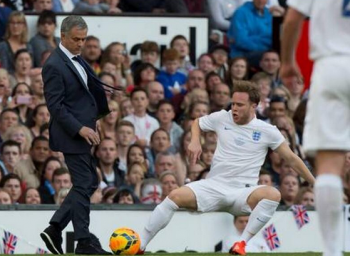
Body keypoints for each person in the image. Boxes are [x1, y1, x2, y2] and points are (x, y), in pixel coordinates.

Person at [138, 81, 315, 255]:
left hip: (243, 193)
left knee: (273, 194)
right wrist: (194, 141)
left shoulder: (267, 131)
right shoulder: (222, 117)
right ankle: (140, 246)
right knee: (174, 196)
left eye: (240, 104)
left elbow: (292, 159)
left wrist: (314, 183)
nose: (234, 108)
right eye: (233, 103)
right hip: (214, 186)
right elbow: (198, 122)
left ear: (254, 106)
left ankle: (241, 244)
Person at [280, 1, 350, 256]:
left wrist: (287, 61)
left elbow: (291, 19)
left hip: (331, 66)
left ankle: (332, 251)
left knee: (329, 166)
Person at [40, 16, 110, 255]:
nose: (81, 44)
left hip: (83, 132)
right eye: (76, 39)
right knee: (84, 183)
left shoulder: (75, 58)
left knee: (89, 182)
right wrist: (80, 128)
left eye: (84, 39)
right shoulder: (53, 65)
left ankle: (55, 228)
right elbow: (55, 106)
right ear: (63, 36)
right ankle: (83, 242)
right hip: (72, 134)